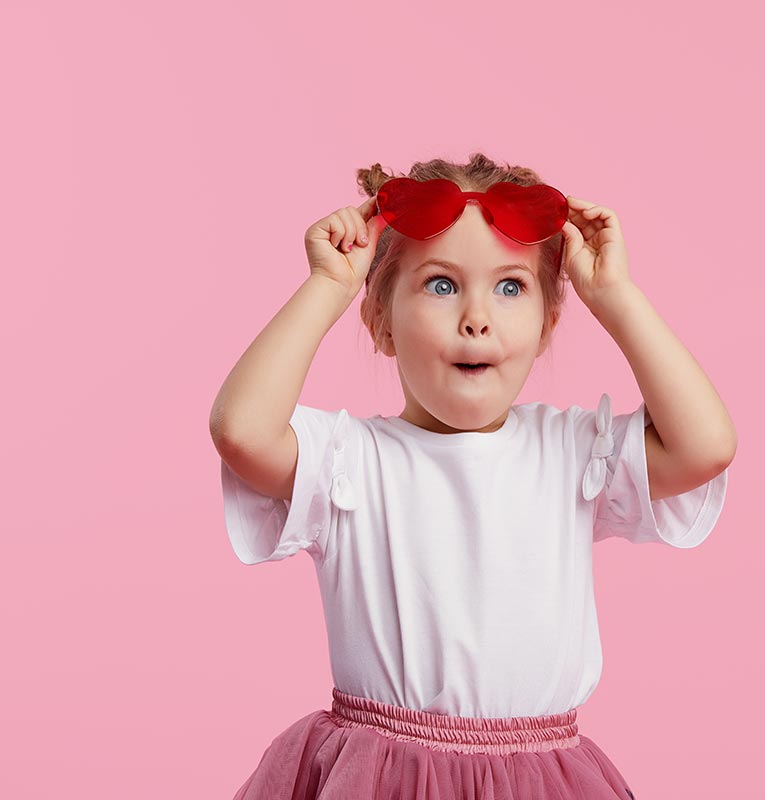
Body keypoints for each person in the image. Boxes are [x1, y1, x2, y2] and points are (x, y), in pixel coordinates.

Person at [210, 152, 736, 799]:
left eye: (510, 287)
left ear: (547, 324)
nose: (477, 316)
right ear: (380, 321)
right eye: (441, 284)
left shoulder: (570, 453)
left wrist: (615, 297)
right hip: (381, 780)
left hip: (540, 782)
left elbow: (705, 446)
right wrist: (327, 286)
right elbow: (242, 432)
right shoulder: (350, 460)